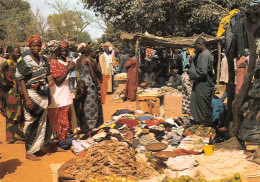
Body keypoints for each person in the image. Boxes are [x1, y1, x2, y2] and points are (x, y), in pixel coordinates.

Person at [16, 35, 52, 161]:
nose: (37, 47)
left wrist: (47, 93)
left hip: (42, 94)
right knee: (30, 121)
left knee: (42, 122)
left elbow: (48, 75)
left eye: (39, 45)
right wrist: (27, 99)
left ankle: (37, 148)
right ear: (30, 46)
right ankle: (29, 151)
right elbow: (21, 80)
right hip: (31, 94)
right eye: (34, 45)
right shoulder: (24, 61)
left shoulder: (43, 60)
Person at [47, 41, 76, 146]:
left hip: (59, 97)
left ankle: (61, 139)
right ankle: (59, 142)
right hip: (58, 97)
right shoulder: (53, 63)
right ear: (57, 50)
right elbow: (58, 81)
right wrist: (68, 69)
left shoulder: (52, 62)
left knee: (59, 120)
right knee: (59, 120)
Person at [75, 45, 103, 132]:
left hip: (81, 85)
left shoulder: (78, 61)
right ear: (87, 51)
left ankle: (85, 125)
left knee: (84, 106)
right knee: (92, 106)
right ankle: (92, 127)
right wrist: (98, 86)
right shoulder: (88, 60)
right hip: (90, 85)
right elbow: (93, 74)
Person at [0, 47, 25, 143]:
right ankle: (12, 138)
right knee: (12, 114)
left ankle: (17, 136)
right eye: (16, 52)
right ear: (11, 52)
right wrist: (9, 84)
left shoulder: (18, 64)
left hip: (18, 92)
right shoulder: (7, 63)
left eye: (19, 52)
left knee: (18, 113)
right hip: (11, 92)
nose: (18, 54)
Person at [188, 38, 215, 124]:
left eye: (196, 45)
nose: (195, 48)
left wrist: (190, 71)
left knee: (203, 106)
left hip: (203, 84)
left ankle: (205, 124)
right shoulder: (205, 54)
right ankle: (203, 123)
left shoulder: (204, 55)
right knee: (202, 104)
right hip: (202, 84)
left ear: (200, 44)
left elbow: (202, 72)